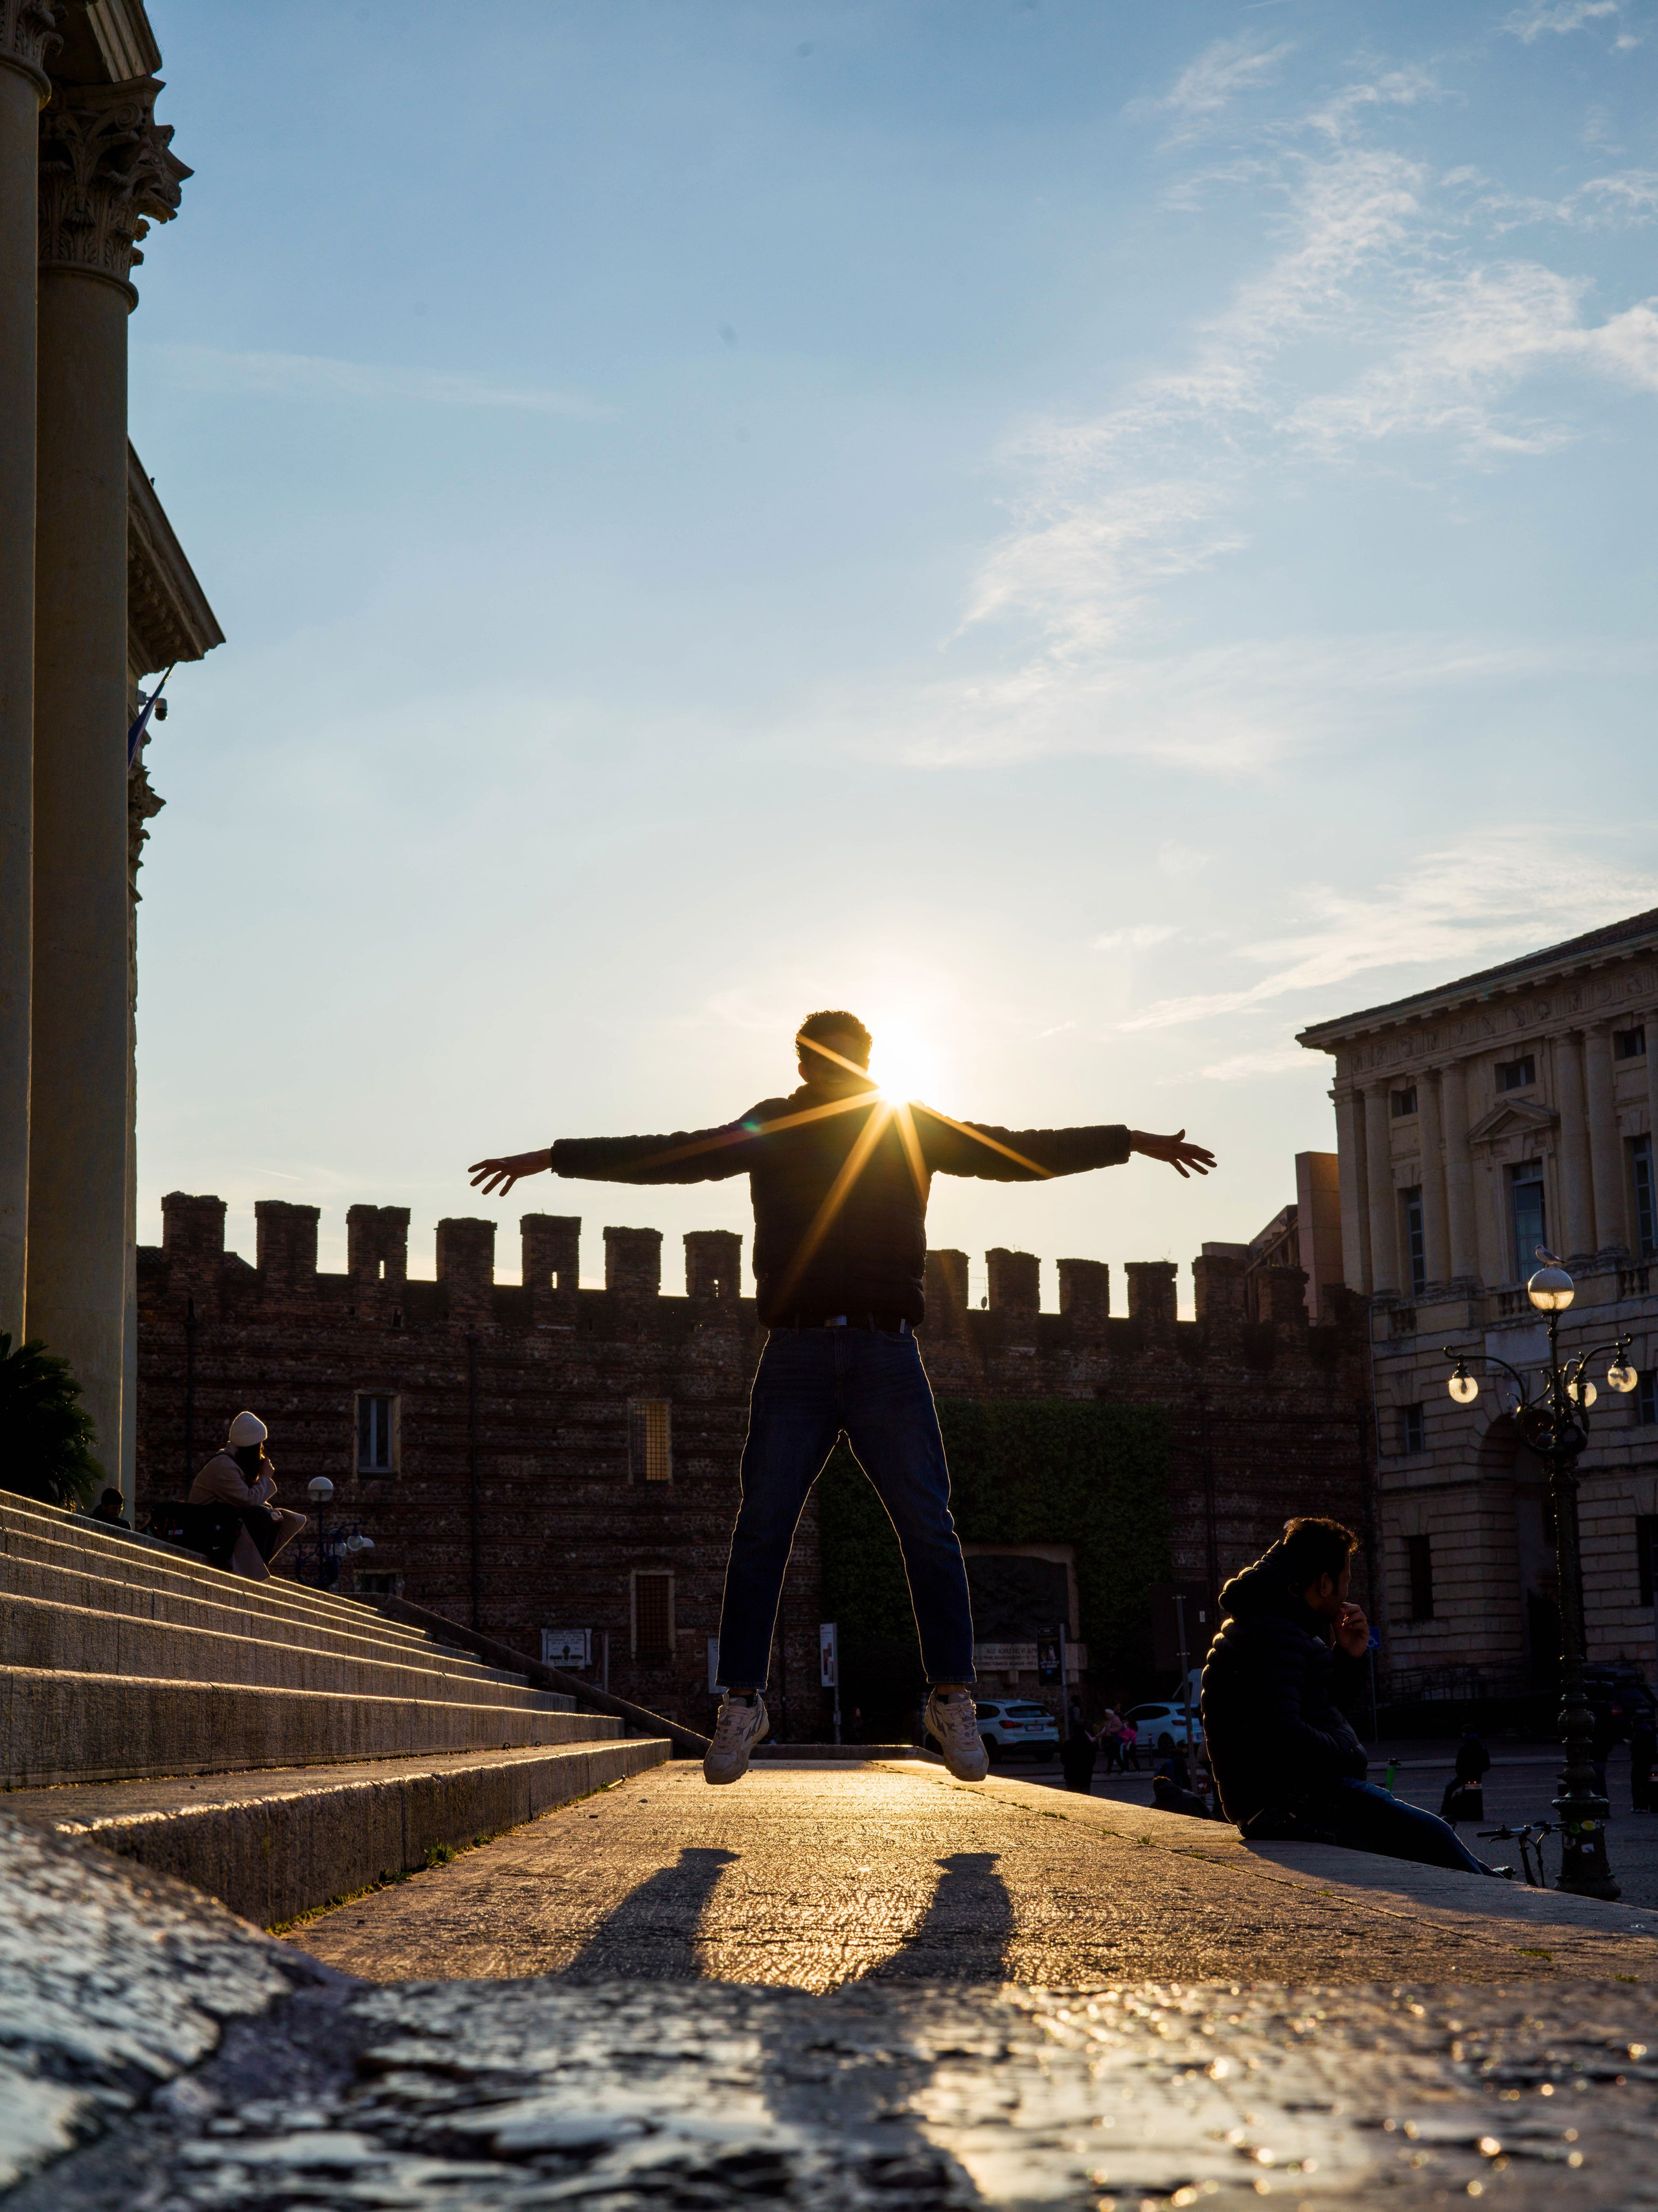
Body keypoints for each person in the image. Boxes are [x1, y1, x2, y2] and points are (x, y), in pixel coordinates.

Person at [471, 1008, 1214, 1788]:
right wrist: (556, 1158)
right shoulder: (795, 1125)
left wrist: (1125, 1140)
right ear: (842, 1060)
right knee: (773, 1526)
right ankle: (745, 1700)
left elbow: (1014, 1152)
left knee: (915, 1524)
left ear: (816, 1062)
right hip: (800, 1350)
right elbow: (672, 1156)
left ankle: (948, 1694)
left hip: (880, 1350)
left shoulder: (902, 1124)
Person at [1201, 1517, 1495, 1877]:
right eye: (1345, 1581)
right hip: (1287, 1804)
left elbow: (1317, 1707)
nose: (1345, 1593)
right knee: (1433, 1837)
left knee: (1442, 1845)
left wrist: (1348, 1658)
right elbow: (1281, 1737)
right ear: (1324, 1583)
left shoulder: (1280, 1626)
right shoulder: (1273, 1636)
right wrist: (1347, 1750)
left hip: (1286, 1798)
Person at [189, 1412, 306, 1580]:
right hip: (205, 1531)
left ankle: (258, 1569)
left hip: (220, 1528)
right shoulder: (223, 1466)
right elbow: (248, 1500)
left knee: (275, 1517)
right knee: (260, 1516)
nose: (263, 1453)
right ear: (252, 1449)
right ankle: (253, 1574)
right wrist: (265, 1477)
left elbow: (248, 1501)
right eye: (260, 1447)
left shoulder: (233, 1464)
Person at [1440, 1730, 1492, 1828]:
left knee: (1449, 1789)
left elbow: (1459, 1765)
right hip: (1477, 1776)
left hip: (1465, 1776)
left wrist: (1462, 1773)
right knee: (1472, 1795)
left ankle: (1445, 1811)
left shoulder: (1465, 1748)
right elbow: (1487, 1765)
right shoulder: (1482, 1747)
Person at [1060, 1719, 1100, 1794]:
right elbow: (1093, 1760)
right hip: (1086, 1774)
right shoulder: (1089, 1744)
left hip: (1071, 1774)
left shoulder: (1068, 1744)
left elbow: (1063, 1760)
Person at [1630, 1712, 1656, 1814]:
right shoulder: (1649, 1731)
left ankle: (1637, 1806)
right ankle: (1644, 1806)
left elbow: (1634, 1748)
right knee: (1645, 1784)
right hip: (1647, 1761)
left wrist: (1631, 1744)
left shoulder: (1638, 1733)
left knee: (1636, 1785)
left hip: (1638, 1760)